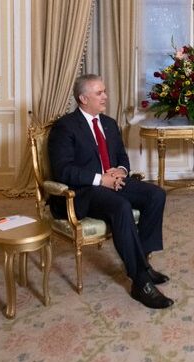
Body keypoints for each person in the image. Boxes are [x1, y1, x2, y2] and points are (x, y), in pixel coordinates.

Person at [48, 74, 173, 309]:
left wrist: (121, 171)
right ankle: (140, 282)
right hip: (83, 191)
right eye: (99, 93)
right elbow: (63, 170)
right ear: (83, 98)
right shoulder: (65, 127)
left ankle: (142, 262)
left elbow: (122, 157)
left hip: (113, 182)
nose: (105, 96)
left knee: (156, 195)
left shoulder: (108, 123)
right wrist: (101, 179)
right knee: (121, 207)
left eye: (104, 91)